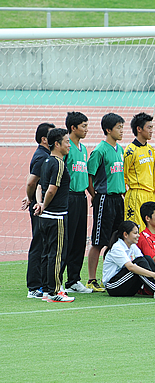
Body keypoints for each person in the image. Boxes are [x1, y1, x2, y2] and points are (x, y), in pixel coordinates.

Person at [86, 113, 126, 292]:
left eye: (122, 127)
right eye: (119, 128)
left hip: (118, 199)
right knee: (98, 240)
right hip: (104, 199)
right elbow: (90, 175)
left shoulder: (120, 150)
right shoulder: (100, 150)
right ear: (108, 130)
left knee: (116, 239)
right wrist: (95, 196)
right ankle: (91, 279)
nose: (122, 131)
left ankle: (110, 275)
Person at [34, 128, 74, 302]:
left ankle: (45, 290)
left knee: (46, 254)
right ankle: (55, 292)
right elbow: (51, 189)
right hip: (56, 216)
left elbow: (38, 186)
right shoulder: (58, 163)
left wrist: (39, 204)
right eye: (66, 142)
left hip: (45, 218)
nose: (69, 145)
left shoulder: (46, 161)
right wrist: (44, 204)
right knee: (57, 255)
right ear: (57, 144)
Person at [102, 221, 155, 299]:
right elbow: (131, 267)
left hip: (128, 287)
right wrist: (153, 275)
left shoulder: (132, 246)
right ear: (125, 234)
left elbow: (145, 262)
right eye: (135, 233)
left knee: (147, 258)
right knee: (137, 265)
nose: (138, 236)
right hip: (114, 287)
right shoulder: (117, 247)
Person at [60, 112, 92, 294]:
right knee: (67, 240)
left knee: (80, 240)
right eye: (84, 126)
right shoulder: (66, 148)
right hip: (69, 197)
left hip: (81, 197)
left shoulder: (84, 149)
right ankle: (58, 280)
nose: (87, 130)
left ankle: (73, 280)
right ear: (73, 127)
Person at [23, 122, 55, 299]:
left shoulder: (45, 154)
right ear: (44, 139)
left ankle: (41, 284)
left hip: (40, 205)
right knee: (39, 244)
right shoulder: (42, 157)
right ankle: (34, 287)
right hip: (40, 207)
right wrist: (32, 198)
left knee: (44, 244)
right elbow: (32, 182)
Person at [124, 112, 154, 231]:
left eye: (152, 127)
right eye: (149, 127)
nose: (151, 130)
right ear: (139, 129)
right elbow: (124, 175)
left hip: (150, 194)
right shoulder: (130, 151)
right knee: (134, 231)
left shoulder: (151, 149)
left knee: (150, 231)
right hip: (136, 195)